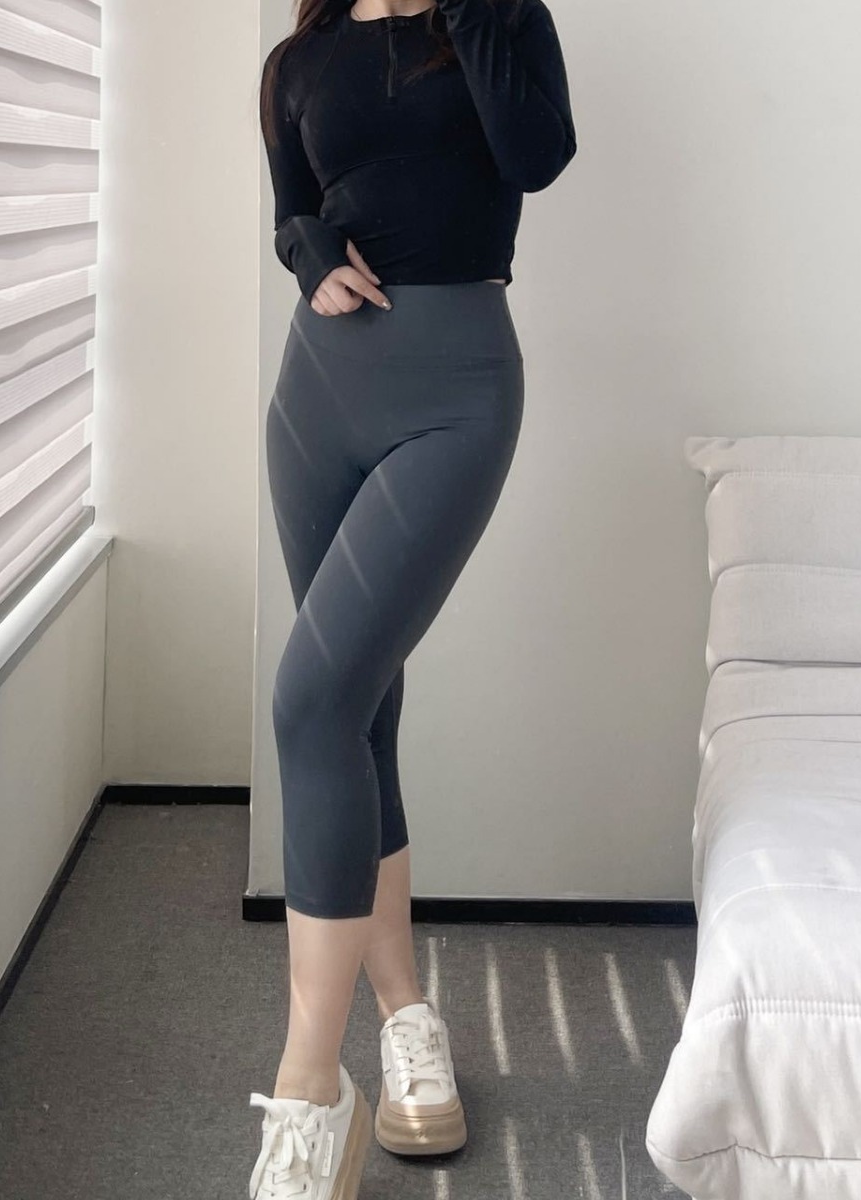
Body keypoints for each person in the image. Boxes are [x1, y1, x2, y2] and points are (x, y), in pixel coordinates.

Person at [251, 0, 576, 1195]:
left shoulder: (500, 17)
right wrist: (306, 252)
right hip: (317, 396)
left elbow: (536, 154)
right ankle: (405, 1017)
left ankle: (309, 1084)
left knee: (312, 703)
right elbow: (293, 210)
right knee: (357, 710)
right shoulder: (298, 59)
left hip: (457, 390)